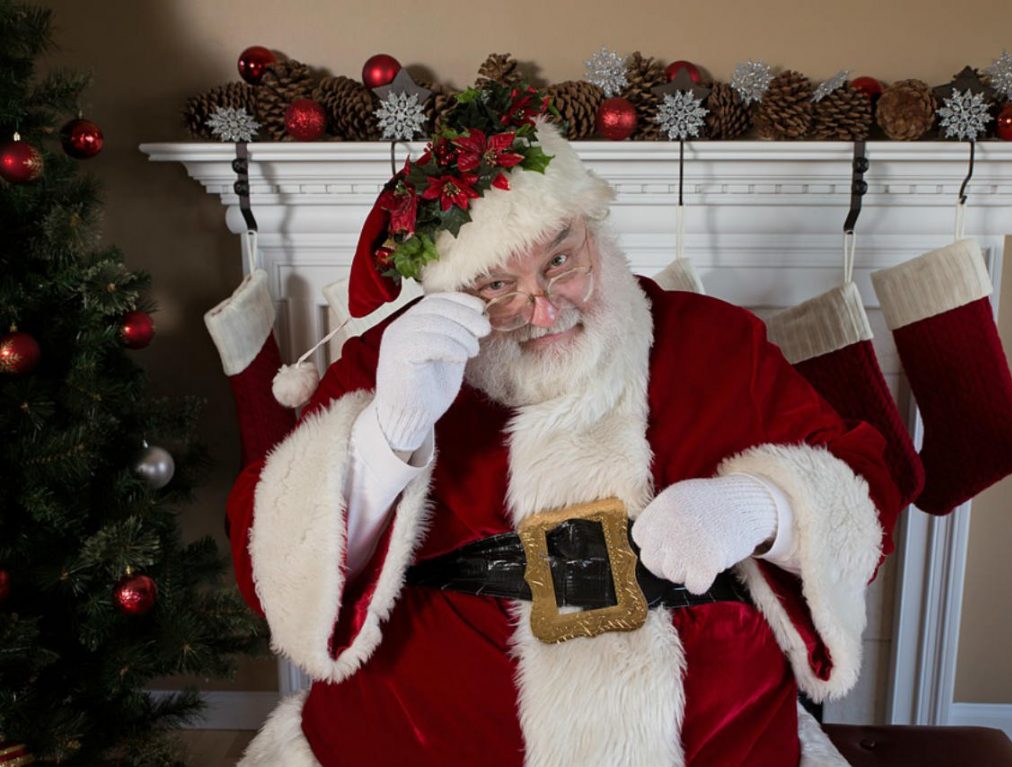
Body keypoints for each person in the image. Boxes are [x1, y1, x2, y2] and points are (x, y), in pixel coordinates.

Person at [227, 84, 902, 767]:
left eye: (560, 260)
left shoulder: (714, 340)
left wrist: (764, 509)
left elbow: (868, 490)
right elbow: (272, 570)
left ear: (591, 223)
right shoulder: (395, 364)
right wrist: (387, 435)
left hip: (718, 739)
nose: (546, 311)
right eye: (497, 288)